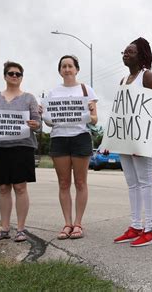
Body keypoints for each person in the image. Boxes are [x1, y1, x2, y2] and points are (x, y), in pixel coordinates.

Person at [0, 61, 41, 242]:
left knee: (20, 187)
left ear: (22, 77)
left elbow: (37, 124)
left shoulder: (29, 98)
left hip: (22, 147)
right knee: (3, 188)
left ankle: (20, 229)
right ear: (5, 76)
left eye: (18, 74)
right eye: (11, 73)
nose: (14, 76)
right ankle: (4, 228)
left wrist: (35, 124)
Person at [112, 37, 152, 247]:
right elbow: (119, 112)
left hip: (143, 135)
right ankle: (136, 226)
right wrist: (111, 139)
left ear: (141, 55)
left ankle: (151, 229)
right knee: (132, 183)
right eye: (124, 51)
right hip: (126, 136)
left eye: (130, 52)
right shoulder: (123, 81)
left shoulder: (146, 76)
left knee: (145, 179)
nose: (125, 54)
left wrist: (141, 140)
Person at [45, 55, 98, 240]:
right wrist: (42, 114)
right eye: (63, 66)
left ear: (77, 69)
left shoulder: (86, 90)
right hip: (59, 138)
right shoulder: (53, 93)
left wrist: (90, 112)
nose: (67, 69)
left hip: (80, 138)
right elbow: (50, 123)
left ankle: (78, 223)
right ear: (60, 70)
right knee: (64, 183)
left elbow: (94, 120)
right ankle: (67, 223)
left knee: (81, 182)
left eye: (70, 66)